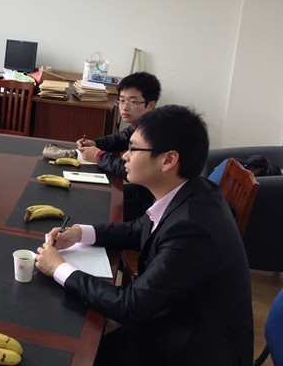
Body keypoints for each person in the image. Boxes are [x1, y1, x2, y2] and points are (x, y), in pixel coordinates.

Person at [36, 105, 253, 366]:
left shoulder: (193, 229)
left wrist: (59, 269)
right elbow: (138, 228)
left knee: (73, 354)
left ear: (168, 160)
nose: (125, 156)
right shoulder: (190, 189)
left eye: (133, 149)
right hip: (169, 320)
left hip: (191, 349)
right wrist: (80, 233)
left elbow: (129, 306)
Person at [77, 71, 161, 219]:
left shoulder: (152, 133)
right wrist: (95, 143)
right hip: (140, 189)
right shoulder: (138, 125)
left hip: (150, 200)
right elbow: (119, 139)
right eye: (121, 100)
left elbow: (132, 170)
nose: (124, 107)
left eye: (133, 102)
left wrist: (99, 156)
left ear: (150, 105)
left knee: (97, 210)